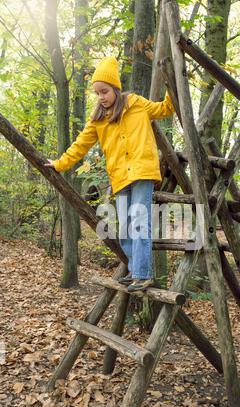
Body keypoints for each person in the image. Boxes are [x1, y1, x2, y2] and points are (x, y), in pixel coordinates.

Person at [44, 56, 174, 291]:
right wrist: (60, 164)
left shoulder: (136, 104)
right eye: (97, 93)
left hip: (143, 172)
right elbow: (80, 145)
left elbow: (165, 108)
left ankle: (143, 275)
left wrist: (171, 83)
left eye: (104, 91)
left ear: (115, 88)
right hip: (120, 177)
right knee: (124, 227)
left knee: (139, 221)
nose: (101, 97)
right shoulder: (97, 120)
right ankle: (135, 271)